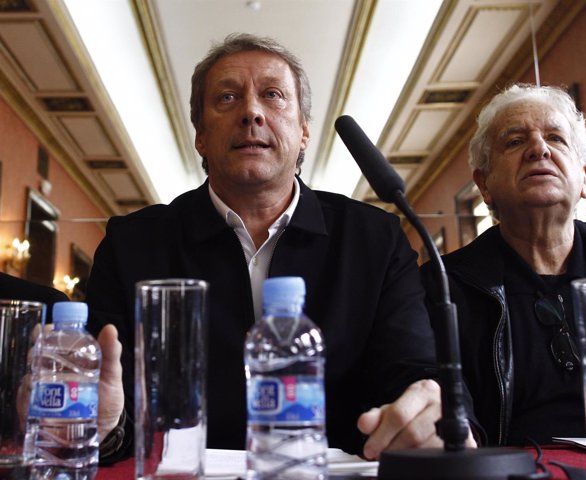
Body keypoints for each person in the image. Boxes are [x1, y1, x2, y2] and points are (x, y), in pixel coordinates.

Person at [87, 33, 459, 463]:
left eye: (273, 95)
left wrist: (426, 407)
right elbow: (110, 411)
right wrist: (104, 429)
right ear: (201, 137)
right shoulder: (132, 244)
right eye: (227, 98)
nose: (251, 112)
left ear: (303, 132)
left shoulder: (375, 239)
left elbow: (412, 372)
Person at [421, 83, 586, 446]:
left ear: (584, 178)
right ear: (484, 185)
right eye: (515, 141)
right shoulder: (442, 288)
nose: (539, 149)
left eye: (556, 138)